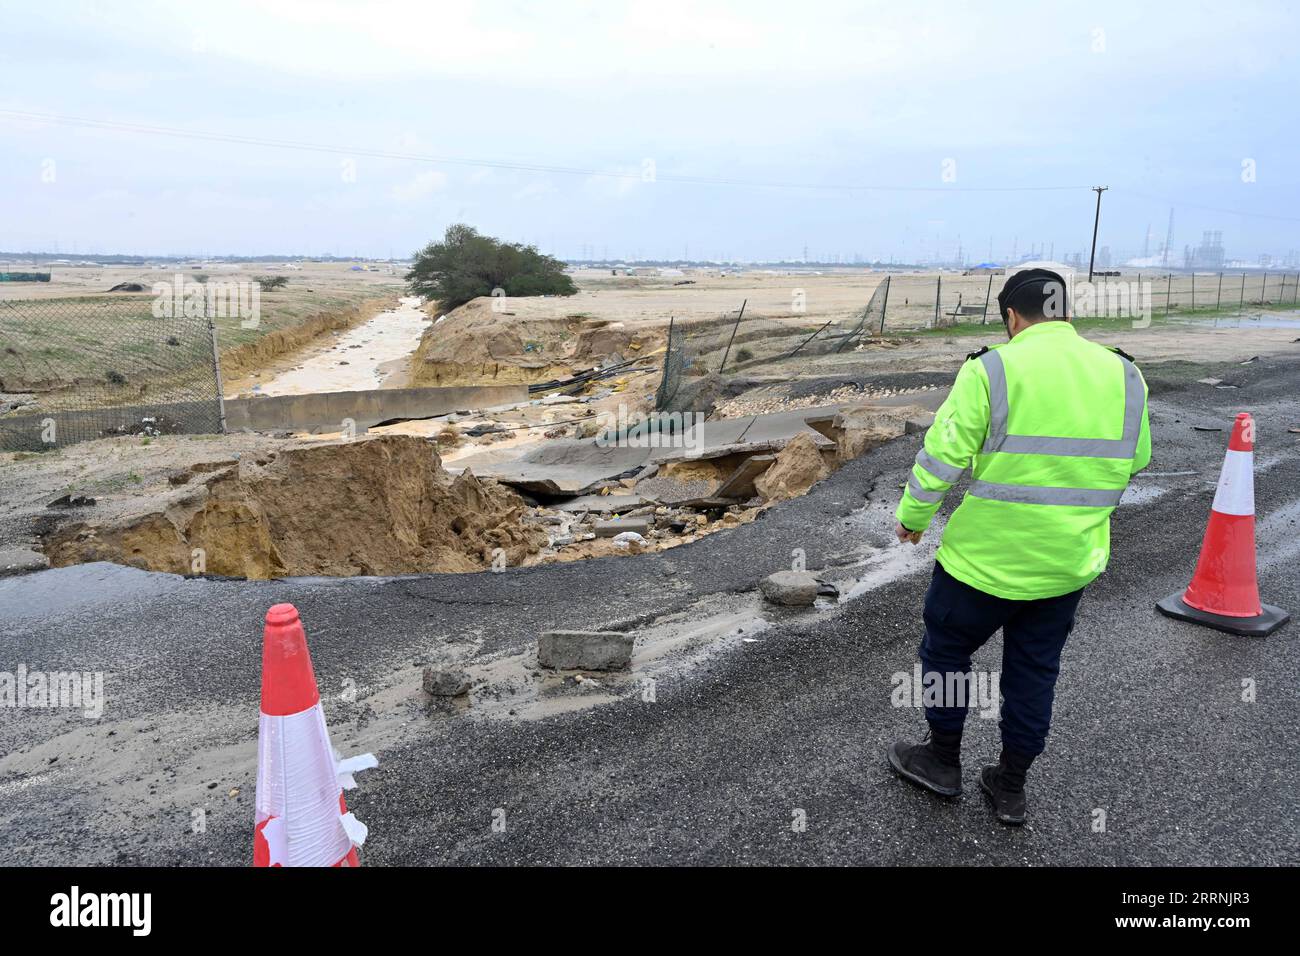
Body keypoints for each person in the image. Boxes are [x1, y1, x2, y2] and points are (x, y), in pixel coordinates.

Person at [887, 268, 1151, 825]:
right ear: (1064, 312)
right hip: (1064, 566)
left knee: (947, 655)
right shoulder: (1126, 374)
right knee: (1034, 672)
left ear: (1012, 317)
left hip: (980, 564)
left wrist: (913, 519)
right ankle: (1009, 788)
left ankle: (941, 760)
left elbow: (942, 455)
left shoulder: (991, 369)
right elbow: (1138, 458)